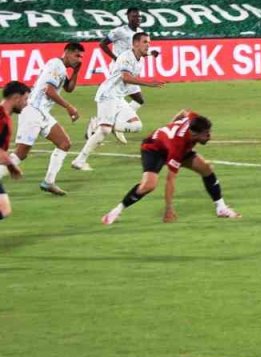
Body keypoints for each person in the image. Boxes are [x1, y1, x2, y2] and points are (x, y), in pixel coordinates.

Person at [101, 110, 240, 225]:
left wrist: (171, 124)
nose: (209, 136)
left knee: (206, 169)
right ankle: (116, 211)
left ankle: (221, 208)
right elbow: (170, 180)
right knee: (149, 185)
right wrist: (168, 209)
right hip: (154, 148)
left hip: (174, 144)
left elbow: (184, 112)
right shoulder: (177, 145)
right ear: (194, 133)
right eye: (206, 134)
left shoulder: (194, 119)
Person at [72, 32, 166, 171]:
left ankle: (99, 124)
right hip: (108, 94)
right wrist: (149, 83)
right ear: (135, 44)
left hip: (119, 97)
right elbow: (125, 77)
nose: (148, 44)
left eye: (149, 42)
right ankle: (80, 160)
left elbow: (144, 53)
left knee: (136, 126)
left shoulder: (138, 56)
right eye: (145, 42)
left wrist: (152, 53)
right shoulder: (126, 57)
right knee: (104, 130)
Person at [12, 42, 84, 196]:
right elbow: (48, 90)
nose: (79, 59)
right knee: (21, 153)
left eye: (81, 57)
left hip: (42, 113)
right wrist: (68, 107)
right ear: (67, 52)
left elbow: (69, 89)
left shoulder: (62, 70)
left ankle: (49, 182)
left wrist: (76, 71)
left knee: (64, 144)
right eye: (77, 55)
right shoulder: (56, 65)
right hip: (33, 111)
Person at [94, 7, 151, 143]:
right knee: (132, 99)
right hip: (119, 71)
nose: (136, 19)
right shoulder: (119, 31)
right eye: (133, 16)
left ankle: (113, 123)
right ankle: (109, 125)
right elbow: (102, 44)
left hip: (130, 70)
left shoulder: (140, 34)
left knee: (136, 100)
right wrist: (115, 57)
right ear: (128, 17)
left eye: (138, 17)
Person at [0, 82, 31, 220]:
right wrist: (12, 166)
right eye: (25, 99)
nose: (26, 103)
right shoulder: (2, 119)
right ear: (16, 98)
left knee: (4, 208)